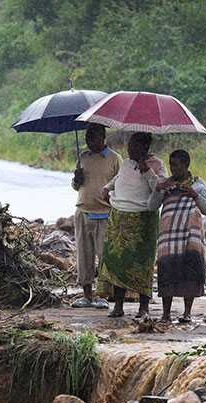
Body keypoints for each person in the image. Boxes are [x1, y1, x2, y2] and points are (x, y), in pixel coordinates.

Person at [98, 132, 167, 318]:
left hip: (142, 220)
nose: (130, 149)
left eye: (134, 146)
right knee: (118, 262)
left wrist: (147, 171)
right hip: (118, 216)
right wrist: (107, 187)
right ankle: (118, 306)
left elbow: (161, 188)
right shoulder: (127, 162)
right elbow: (119, 178)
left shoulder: (157, 165)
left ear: (145, 147)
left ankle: (143, 308)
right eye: (129, 145)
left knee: (142, 265)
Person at [150, 149, 206, 324]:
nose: (173, 169)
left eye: (176, 165)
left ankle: (187, 313)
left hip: (189, 237)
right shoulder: (166, 184)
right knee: (167, 272)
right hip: (168, 238)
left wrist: (194, 194)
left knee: (190, 271)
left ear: (186, 165)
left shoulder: (198, 184)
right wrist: (158, 189)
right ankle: (166, 314)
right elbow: (151, 206)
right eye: (171, 165)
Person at [70, 124, 120, 309]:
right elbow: (76, 186)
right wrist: (77, 179)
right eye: (87, 138)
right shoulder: (83, 157)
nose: (89, 141)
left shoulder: (114, 158)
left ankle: (103, 295)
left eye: (93, 137)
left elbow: (119, 184)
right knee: (84, 255)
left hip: (105, 213)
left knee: (104, 256)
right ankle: (87, 295)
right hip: (83, 212)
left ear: (103, 137)